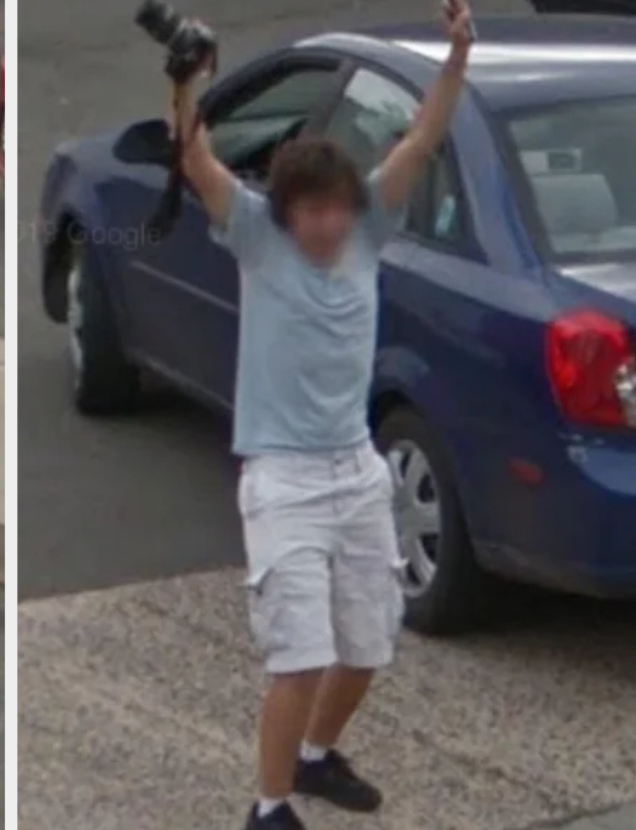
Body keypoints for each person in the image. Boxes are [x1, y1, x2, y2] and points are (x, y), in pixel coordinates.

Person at [171, 3, 473, 829]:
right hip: (284, 479)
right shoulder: (258, 239)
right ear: (285, 211)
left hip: (356, 469)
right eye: (312, 212)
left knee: (369, 645)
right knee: (298, 658)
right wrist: (185, 82)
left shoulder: (369, 227)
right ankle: (267, 809)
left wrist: (455, 58)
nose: (328, 224)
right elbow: (194, 160)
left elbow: (420, 137)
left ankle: (313, 758)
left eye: (338, 209)